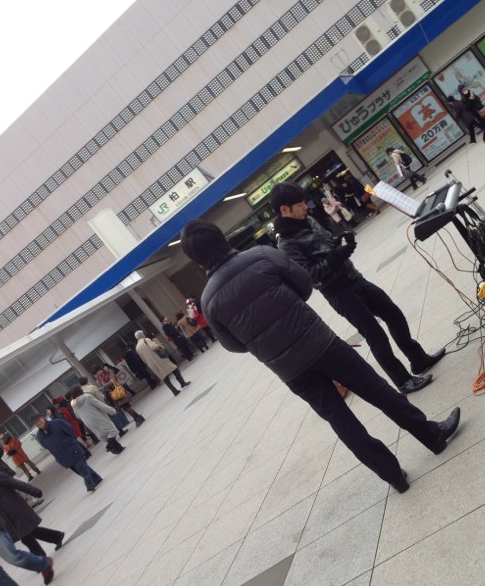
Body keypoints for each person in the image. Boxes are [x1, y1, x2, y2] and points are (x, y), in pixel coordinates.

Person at [179, 220, 460, 492]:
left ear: (198, 262)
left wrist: (260, 341)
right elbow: (304, 285)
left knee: (342, 422)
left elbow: (234, 345)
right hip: (321, 343)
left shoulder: (209, 300)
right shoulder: (261, 255)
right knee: (378, 391)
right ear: (222, 239)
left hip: (290, 370)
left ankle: (393, 476)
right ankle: (432, 437)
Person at [270, 182, 445, 394]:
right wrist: (336, 256)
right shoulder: (286, 244)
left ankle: (418, 360)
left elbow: (328, 241)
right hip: (339, 292)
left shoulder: (307, 220)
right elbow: (311, 276)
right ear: (284, 209)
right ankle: (403, 381)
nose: (306, 207)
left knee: (393, 314)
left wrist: (342, 240)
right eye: (299, 205)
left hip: (354, 277)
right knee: (375, 336)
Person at [0, 457, 65, 570]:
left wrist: (34, 491)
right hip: (3, 516)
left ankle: (42, 561)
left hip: (15, 509)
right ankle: (56, 537)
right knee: (30, 532)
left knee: (25, 537)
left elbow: (16, 483)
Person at [31, 413, 103, 492]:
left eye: (39, 420)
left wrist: (71, 443)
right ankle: (97, 478)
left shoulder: (57, 423)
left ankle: (89, 484)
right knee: (80, 470)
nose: (38, 423)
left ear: (42, 417)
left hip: (73, 450)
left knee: (82, 468)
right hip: (63, 458)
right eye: (36, 422)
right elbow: (47, 447)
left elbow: (71, 431)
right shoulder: (39, 436)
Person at [68, 385, 126, 454]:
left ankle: (118, 449)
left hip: (88, 422)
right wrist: (112, 411)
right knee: (111, 431)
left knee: (104, 435)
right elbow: (100, 405)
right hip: (98, 417)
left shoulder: (73, 404)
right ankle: (109, 446)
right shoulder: (87, 397)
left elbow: (77, 416)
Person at [134, 330, 191, 396]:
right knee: (175, 369)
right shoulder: (146, 340)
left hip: (152, 364)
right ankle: (182, 383)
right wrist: (156, 344)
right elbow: (154, 347)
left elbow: (143, 358)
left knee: (164, 378)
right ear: (142, 335)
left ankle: (174, 391)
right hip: (160, 359)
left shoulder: (137, 347)